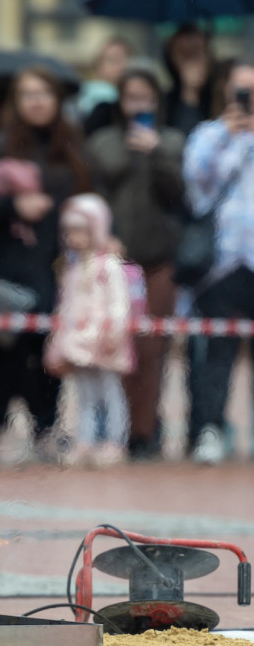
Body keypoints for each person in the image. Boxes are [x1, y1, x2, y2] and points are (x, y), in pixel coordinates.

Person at [0, 67, 91, 463]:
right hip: (7, 266)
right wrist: (13, 205)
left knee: (50, 353)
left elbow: (87, 198)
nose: (37, 101)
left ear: (57, 99)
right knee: (6, 353)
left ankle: (46, 427)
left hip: (55, 265)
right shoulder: (0, 145)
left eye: (44, 93)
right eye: (27, 94)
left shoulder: (72, 145)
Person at [86, 63, 185, 460]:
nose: (137, 104)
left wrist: (157, 152)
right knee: (116, 346)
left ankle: (146, 430)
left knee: (152, 347)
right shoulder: (103, 143)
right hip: (115, 261)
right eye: (131, 97)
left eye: (146, 98)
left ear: (157, 102)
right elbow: (94, 194)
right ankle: (115, 428)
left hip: (160, 259)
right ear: (120, 101)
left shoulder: (173, 141)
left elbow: (180, 195)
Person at [183, 58, 254, 465]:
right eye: (240, 91)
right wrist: (227, 137)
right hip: (222, 262)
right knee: (218, 351)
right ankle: (210, 428)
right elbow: (196, 188)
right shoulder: (208, 134)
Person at [44, 194, 133, 467]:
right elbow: (67, 308)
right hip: (79, 343)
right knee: (83, 393)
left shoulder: (109, 267)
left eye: (80, 231)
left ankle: (114, 441)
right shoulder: (72, 268)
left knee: (110, 391)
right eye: (69, 232)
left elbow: (120, 304)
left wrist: (113, 334)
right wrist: (61, 340)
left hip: (104, 341)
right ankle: (86, 440)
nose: (74, 238)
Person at [164, 24, 216, 136]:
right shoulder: (166, 102)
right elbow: (186, 141)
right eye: (185, 54)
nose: (191, 63)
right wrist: (189, 92)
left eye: (196, 52)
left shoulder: (222, 90)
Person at [80, 37, 134, 137]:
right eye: (112, 60)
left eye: (123, 58)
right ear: (97, 68)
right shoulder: (95, 96)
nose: (120, 65)